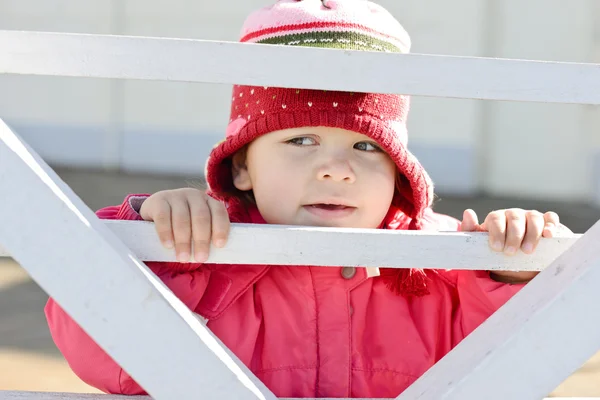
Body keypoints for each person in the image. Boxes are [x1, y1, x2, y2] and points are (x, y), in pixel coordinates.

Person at [45, 0, 572, 396]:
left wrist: (516, 267)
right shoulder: (203, 254)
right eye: (301, 140)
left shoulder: (442, 262)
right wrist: (152, 240)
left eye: (367, 145)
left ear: (399, 172)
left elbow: (532, 357)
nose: (338, 170)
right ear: (242, 166)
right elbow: (100, 356)